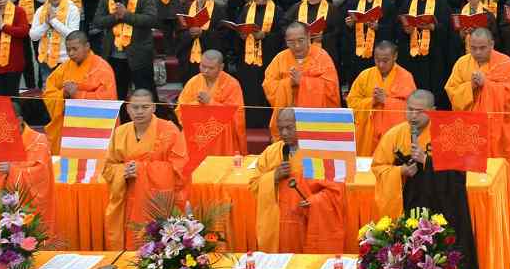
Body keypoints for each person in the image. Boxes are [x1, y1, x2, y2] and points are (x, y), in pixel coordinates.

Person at [368, 88, 479, 269]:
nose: (413, 115)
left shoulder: (449, 132)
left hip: (442, 206)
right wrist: (401, 170)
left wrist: (426, 160)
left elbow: (459, 174)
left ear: (433, 111)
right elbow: (378, 167)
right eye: (409, 110)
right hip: (409, 204)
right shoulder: (395, 134)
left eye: (419, 111)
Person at [445, 24, 510, 193]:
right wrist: (471, 86)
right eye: (473, 48)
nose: (477, 52)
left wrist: (487, 85)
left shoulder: (505, 63)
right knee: (472, 177)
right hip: (471, 131)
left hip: (500, 130)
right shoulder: (462, 63)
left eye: (482, 48)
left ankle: (503, 211)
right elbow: (452, 93)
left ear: (492, 44)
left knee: (500, 170)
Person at [256, 105, 350, 252]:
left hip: (310, 220)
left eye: (289, 128)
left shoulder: (320, 151)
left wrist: (315, 201)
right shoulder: (271, 152)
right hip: (280, 226)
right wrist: (273, 177)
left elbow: (337, 189)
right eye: (281, 129)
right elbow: (254, 183)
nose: (284, 133)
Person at [103, 86, 188, 246]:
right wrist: (122, 171)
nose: (139, 112)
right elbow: (108, 167)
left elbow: (180, 168)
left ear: (154, 107)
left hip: (157, 202)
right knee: (131, 245)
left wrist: (142, 169)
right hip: (128, 198)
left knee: (155, 246)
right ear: (127, 108)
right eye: (135, 107)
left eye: (145, 107)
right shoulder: (120, 133)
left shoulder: (169, 130)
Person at [345, 36, 416, 157]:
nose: (381, 65)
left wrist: (386, 101)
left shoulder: (405, 77)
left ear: (395, 57)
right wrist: (371, 101)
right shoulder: (365, 75)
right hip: (367, 134)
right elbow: (352, 103)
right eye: (377, 60)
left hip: (392, 134)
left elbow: (412, 109)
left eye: (385, 60)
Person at [42, 28, 117, 140]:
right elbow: (48, 90)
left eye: (75, 49)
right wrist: (64, 94)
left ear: (87, 46)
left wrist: (77, 94)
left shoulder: (102, 68)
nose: (71, 53)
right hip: (68, 124)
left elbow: (107, 101)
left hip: (95, 129)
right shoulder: (65, 67)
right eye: (68, 50)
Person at [175, 47, 248, 157]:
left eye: (211, 68)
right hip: (197, 133)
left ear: (221, 67)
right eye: (203, 66)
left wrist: (211, 103)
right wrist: (198, 106)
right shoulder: (193, 82)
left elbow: (236, 114)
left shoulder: (231, 84)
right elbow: (180, 109)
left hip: (221, 136)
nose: (205, 71)